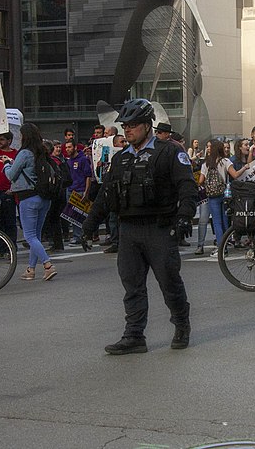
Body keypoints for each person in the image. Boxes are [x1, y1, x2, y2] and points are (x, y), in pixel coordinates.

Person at [82, 98, 197, 354]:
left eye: (133, 125)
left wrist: (184, 217)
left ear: (147, 126)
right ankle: (134, 336)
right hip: (129, 231)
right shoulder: (121, 158)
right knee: (132, 286)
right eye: (125, 126)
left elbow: (187, 187)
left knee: (169, 282)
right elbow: (106, 195)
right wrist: (89, 225)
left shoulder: (169, 151)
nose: (127, 130)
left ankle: (181, 324)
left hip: (159, 227)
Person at [2, 123, 57, 281]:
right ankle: (30, 269)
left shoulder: (25, 153)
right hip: (44, 197)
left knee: (30, 236)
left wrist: (6, 165)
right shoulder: (42, 152)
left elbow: (11, 175)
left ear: (24, 136)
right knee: (36, 236)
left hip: (28, 198)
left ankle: (48, 265)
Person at [199, 139, 249, 257]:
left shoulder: (206, 163)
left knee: (216, 222)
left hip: (212, 196)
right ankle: (226, 244)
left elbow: (200, 181)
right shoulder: (225, 161)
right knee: (225, 220)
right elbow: (235, 175)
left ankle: (220, 248)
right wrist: (245, 167)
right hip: (224, 194)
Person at [64, 140, 93, 245]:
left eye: (69, 147)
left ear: (75, 147)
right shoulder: (68, 161)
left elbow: (88, 176)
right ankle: (78, 236)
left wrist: (86, 191)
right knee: (72, 216)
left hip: (80, 190)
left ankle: (82, 236)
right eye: (66, 147)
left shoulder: (83, 159)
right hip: (70, 190)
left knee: (81, 215)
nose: (67, 149)